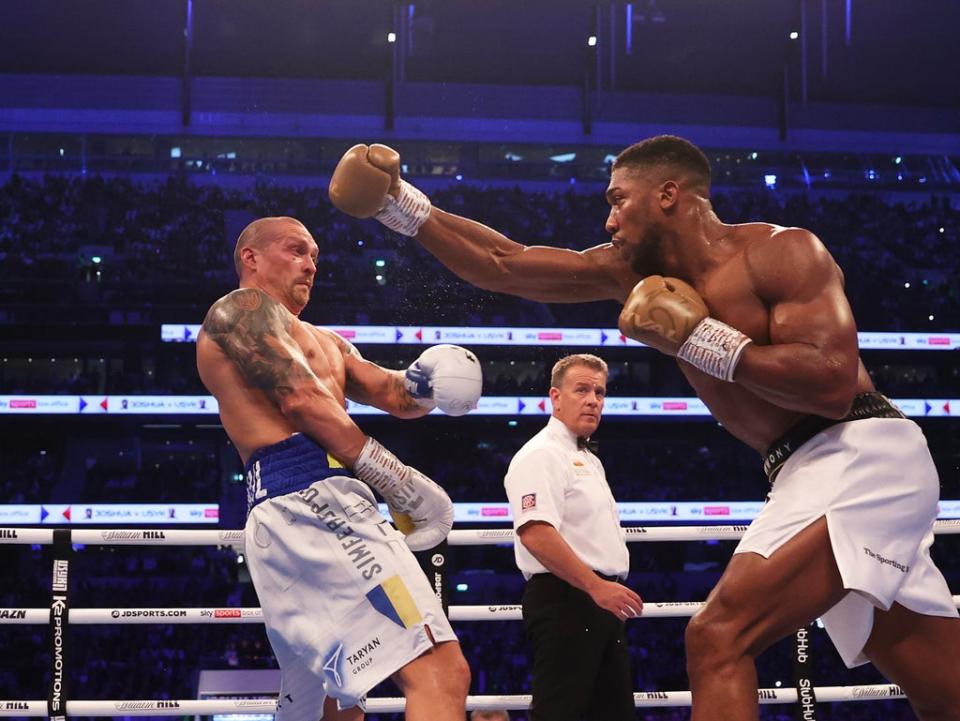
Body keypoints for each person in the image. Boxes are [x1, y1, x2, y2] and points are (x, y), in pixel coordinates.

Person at [329, 137, 960, 720]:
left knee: (717, 637)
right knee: (938, 685)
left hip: (861, 449)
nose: (608, 221)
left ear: (668, 196)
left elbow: (828, 382)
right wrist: (402, 205)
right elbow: (505, 263)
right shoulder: (624, 271)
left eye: (618, 201)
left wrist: (700, 338)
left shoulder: (781, 251)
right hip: (799, 468)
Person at [196, 216, 473, 721]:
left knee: (335, 703)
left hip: (289, 517)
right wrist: (396, 479)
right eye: (296, 250)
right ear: (250, 258)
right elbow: (300, 399)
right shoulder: (240, 310)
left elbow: (393, 393)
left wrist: (431, 382)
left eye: (315, 256)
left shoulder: (328, 342)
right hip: (315, 505)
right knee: (440, 670)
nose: (309, 264)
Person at [504, 353, 639, 721]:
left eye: (599, 392)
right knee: (560, 713)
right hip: (568, 598)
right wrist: (595, 587)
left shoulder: (588, 459)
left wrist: (602, 592)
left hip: (598, 602)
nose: (593, 399)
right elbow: (535, 533)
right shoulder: (540, 455)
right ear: (556, 397)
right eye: (582, 389)